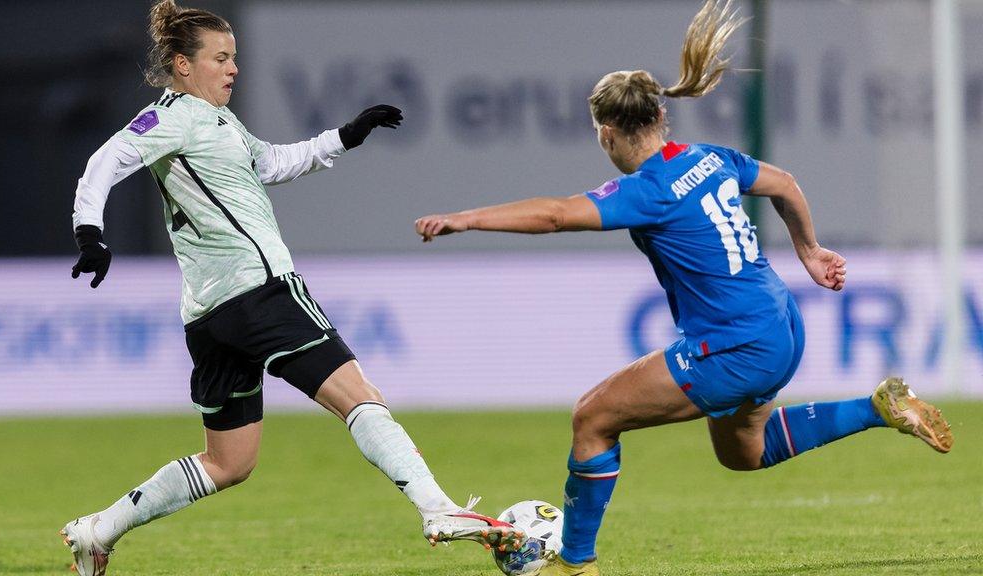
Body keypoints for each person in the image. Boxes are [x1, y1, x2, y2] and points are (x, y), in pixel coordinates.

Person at [415, 1, 953, 574]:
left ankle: (576, 564)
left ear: (606, 133)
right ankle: (878, 407)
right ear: (660, 120)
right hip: (780, 325)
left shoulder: (649, 190)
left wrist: (466, 217)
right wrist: (809, 250)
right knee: (746, 452)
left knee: (593, 418)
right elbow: (784, 182)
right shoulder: (708, 158)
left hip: (736, 344)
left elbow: (553, 215)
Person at [61, 1, 522, 574]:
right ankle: (438, 509)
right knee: (358, 396)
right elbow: (104, 163)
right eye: (220, 58)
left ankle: (98, 531)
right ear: (182, 65)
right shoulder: (172, 118)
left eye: (235, 58)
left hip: (210, 315)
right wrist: (90, 234)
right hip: (260, 291)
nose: (233, 69)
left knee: (228, 461)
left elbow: (272, 163)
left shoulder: (218, 121)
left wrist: (346, 136)